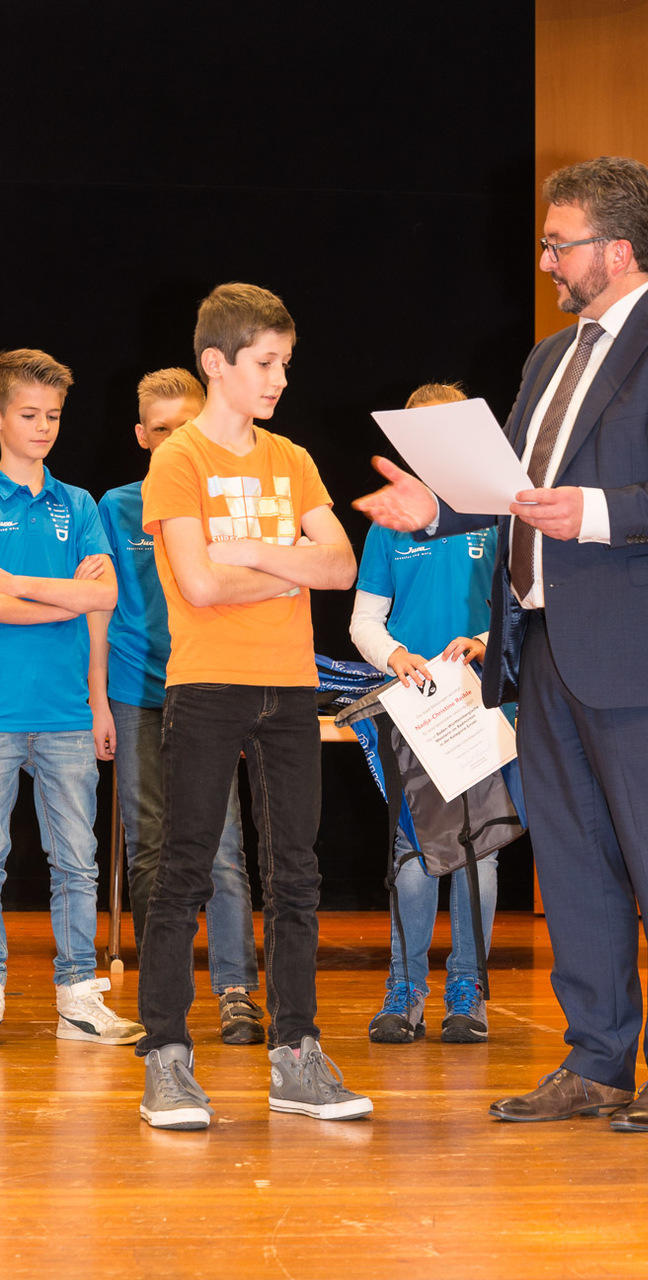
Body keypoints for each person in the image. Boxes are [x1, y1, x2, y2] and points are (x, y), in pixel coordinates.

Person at [355, 156, 648, 1132]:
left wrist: (598, 512)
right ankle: (596, 1058)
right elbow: (516, 492)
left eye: (557, 243)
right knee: (574, 864)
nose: (544, 260)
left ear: (615, 250)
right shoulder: (548, 358)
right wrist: (436, 510)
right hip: (543, 647)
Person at [135, 282, 371, 1129]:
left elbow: (340, 566)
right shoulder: (179, 460)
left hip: (291, 684)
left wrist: (249, 549)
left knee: (297, 873)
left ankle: (296, 1055)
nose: (280, 379)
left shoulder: (293, 458)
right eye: (266, 363)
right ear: (217, 363)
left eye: (286, 363)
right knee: (184, 870)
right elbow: (198, 584)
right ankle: (167, 1058)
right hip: (207, 684)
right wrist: (287, 561)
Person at [88, 367, 264, 1046]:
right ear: (141, 435)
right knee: (151, 847)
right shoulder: (114, 508)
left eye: (185, 427)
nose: (172, 440)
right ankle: (165, 997)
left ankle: (236, 990)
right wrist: (99, 699)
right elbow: (100, 608)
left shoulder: (228, 502)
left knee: (222, 846)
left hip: (210, 690)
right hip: (137, 693)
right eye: (160, 429)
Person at [0, 348, 144, 1045]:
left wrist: (99, 701)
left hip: (66, 714)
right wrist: (69, 596)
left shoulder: (78, 504)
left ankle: (79, 998)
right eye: (29, 414)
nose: (43, 427)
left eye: (53, 415)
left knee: (77, 863)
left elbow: (105, 599)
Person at [350, 381, 498, 1045]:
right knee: (412, 849)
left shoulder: (495, 512)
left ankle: (468, 990)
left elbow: (528, 602)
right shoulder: (390, 520)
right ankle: (405, 989)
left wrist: (486, 643)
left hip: (481, 705)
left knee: (478, 848)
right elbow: (364, 620)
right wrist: (395, 655)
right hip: (414, 708)